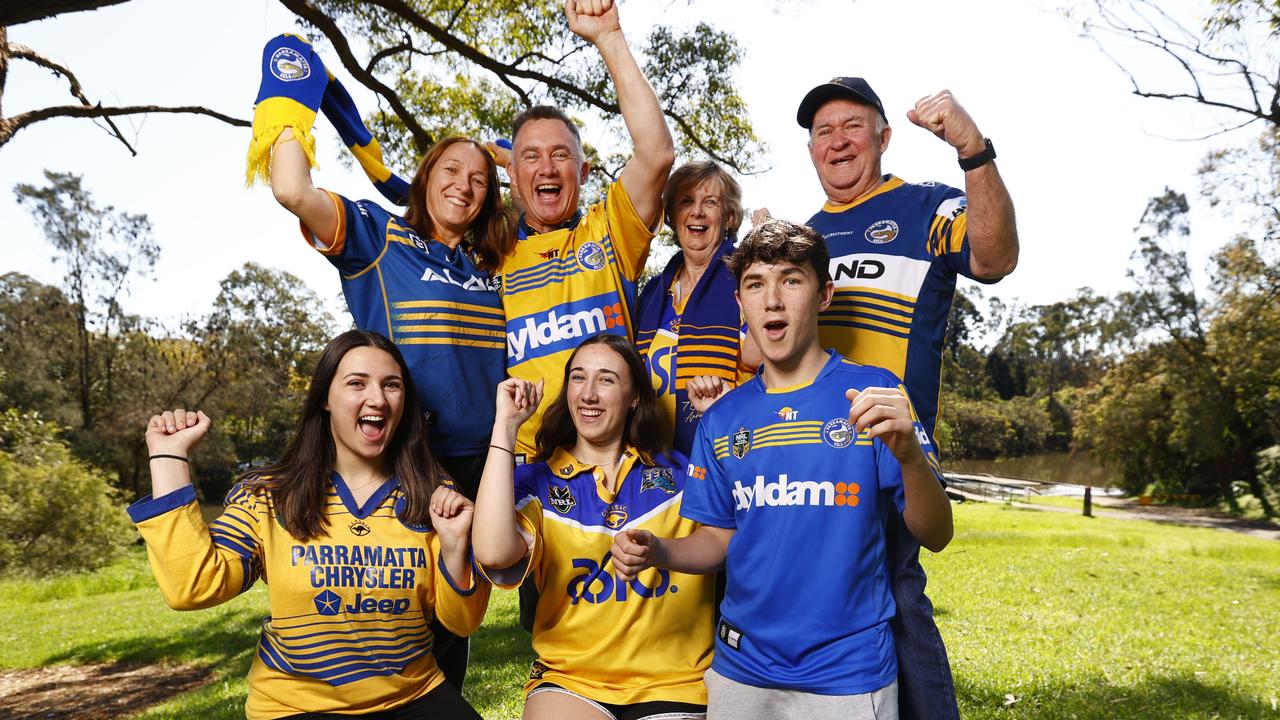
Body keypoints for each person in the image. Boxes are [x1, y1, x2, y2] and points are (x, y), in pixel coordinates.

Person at [610, 220, 953, 720]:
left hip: (848, 674)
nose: (772, 299)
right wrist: (658, 550)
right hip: (741, 670)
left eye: (791, 280)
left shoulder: (875, 392)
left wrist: (908, 456)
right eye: (755, 284)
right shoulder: (723, 418)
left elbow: (937, 533)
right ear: (741, 304)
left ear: (824, 295)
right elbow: (718, 540)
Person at [790, 76, 1019, 719]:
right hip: (809, 461)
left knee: (893, 595)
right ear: (810, 149)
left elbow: (995, 257)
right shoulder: (803, 238)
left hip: (890, 452)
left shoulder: (925, 209)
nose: (837, 142)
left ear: (884, 137)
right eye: (823, 132)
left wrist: (973, 150)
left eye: (852, 126)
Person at [128, 330, 489, 719]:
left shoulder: (431, 493)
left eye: (392, 385)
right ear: (324, 399)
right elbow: (193, 587)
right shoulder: (268, 495)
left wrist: (455, 548)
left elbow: (462, 622)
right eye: (356, 383)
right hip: (296, 707)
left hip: (412, 696)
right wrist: (168, 458)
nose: (378, 399)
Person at [472, 334, 714, 720]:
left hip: (673, 682)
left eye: (606, 379)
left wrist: (720, 421)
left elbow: (739, 534)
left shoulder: (679, 474)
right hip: (572, 680)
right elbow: (493, 552)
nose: (588, 394)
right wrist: (505, 427)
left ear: (634, 396)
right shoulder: (538, 482)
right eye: (578, 378)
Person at [500, 0, 676, 460]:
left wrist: (609, 38)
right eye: (531, 157)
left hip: (615, 460)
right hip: (528, 468)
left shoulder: (609, 229)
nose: (547, 167)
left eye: (561, 155)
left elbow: (656, 153)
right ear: (513, 177)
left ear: (584, 171)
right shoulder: (487, 256)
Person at [635, 161, 756, 456]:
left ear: (728, 217)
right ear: (673, 215)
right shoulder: (654, 291)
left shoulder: (749, 277)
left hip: (729, 450)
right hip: (654, 462)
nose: (697, 212)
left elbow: (774, 363)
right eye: (686, 201)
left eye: (710, 202)